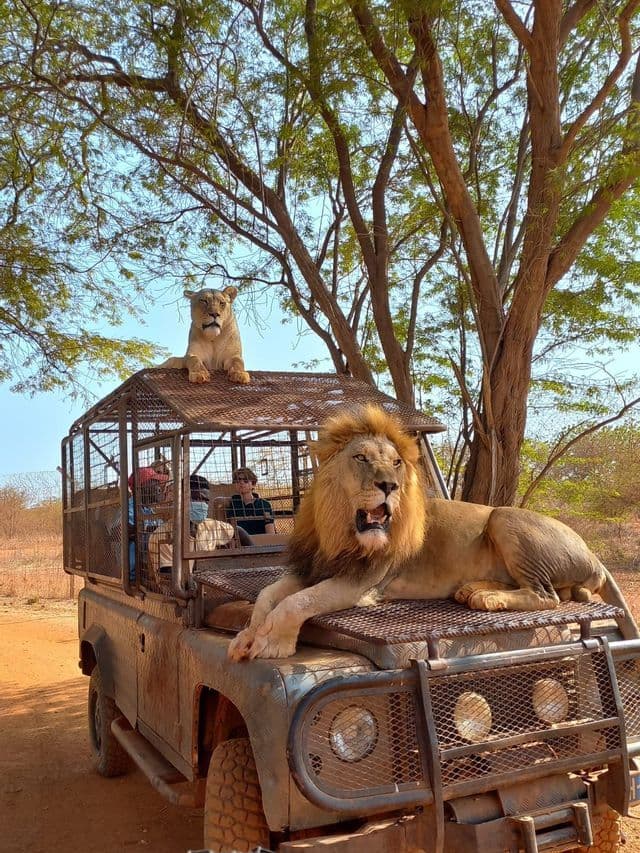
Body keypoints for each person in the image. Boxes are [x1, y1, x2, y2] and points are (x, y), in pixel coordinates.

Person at [148, 473, 234, 578]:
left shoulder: (211, 525)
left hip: (209, 586)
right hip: (176, 592)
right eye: (196, 499)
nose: (202, 505)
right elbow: (169, 576)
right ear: (181, 500)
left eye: (205, 501)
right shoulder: (162, 535)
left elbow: (238, 531)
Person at [225, 467, 275, 536]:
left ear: (253, 484)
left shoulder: (264, 504)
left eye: (246, 480)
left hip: (260, 542)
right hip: (241, 544)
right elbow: (231, 532)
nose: (241, 482)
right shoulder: (233, 504)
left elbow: (270, 532)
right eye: (238, 480)